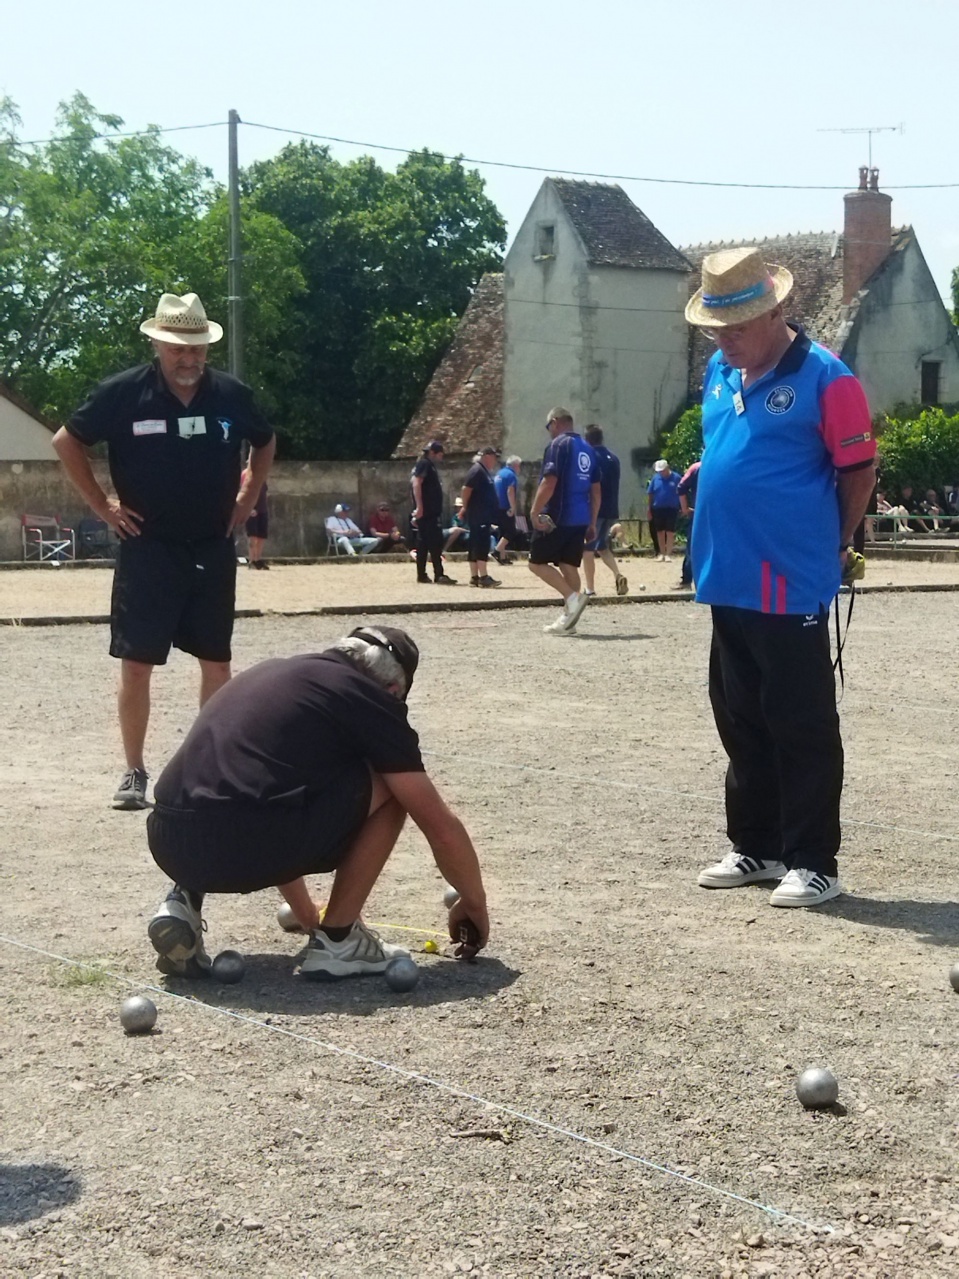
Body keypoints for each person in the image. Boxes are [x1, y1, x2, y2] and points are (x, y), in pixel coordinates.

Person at [687, 246, 875, 908]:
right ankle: (756, 844)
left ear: (774, 312)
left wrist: (833, 542)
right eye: (715, 325)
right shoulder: (718, 370)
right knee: (739, 716)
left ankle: (812, 858)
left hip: (787, 576)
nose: (723, 338)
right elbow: (727, 444)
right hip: (723, 570)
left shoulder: (827, 378)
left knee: (799, 721)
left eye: (735, 325)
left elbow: (857, 472)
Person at [145, 625, 490, 978]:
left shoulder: (274, 673)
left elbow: (268, 789)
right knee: (395, 790)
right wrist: (473, 903)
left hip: (169, 841)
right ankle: (340, 941)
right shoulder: (367, 698)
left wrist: (307, 915)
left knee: (231, 794)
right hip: (248, 839)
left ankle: (182, 903)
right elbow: (440, 826)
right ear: (391, 691)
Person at [52, 291, 276, 811]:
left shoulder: (231, 395)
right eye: (177, 347)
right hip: (147, 547)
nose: (189, 358)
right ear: (157, 343)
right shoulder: (123, 394)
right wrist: (103, 505)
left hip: (213, 545)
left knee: (216, 662)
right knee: (136, 663)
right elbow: (67, 440)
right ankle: (133, 771)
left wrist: (248, 494)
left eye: (196, 347)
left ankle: (208, 765)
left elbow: (264, 441)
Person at [528, 407, 600, 635]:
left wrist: (534, 511)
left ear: (556, 422)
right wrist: (592, 522)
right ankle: (569, 621)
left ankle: (572, 598)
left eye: (549, 426)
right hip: (580, 518)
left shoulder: (558, 445)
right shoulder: (589, 449)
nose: (549, 431)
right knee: (568, 565)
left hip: (558, 516)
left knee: (536, 562)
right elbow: (596, 491)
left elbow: (549, 482)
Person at [581, 425, 628, 598]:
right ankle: (618, 575)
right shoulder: (614, 458)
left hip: (596, 509)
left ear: (587, 440)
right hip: (611, 508)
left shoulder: (590, 457)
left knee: (587, 549)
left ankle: (590, 588)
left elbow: (591, 485)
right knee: (601, 546)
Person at [411, 441, 456, 585]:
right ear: (433, 453)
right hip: (428, 512)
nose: (441, 458)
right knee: (435, 543)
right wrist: (419, 507)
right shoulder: (424, 464)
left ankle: (422, 574)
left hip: (429, 512)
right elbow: (416, 483)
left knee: (423, 544)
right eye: (440, 454)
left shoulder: (428, 466)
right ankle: (439, 574)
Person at [460, 446, 502, 588]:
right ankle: (483, 577)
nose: (495, 460)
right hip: (479, 514)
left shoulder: (482, 471)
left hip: (481, 514)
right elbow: (466, 489)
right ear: (486, 456)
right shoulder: (477, 471)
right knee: (481, 544)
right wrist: (465, 507)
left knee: (475, 544)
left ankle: (475, 577)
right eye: (494, 457)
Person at [647, 459, 681, 562]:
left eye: (662, 470)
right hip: (658, 508)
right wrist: (649, 508)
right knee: (660, 531)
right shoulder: (655, 479)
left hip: (672, 508)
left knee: (670, 531)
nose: (661, 473)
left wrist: (682, 506)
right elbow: (650, 493)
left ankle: (668, 554)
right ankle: (661, 553)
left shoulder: (677, 478)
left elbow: (682, 492)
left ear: (667, 468)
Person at [674, 460, 701, 589]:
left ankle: (686, 581)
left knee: (692, 546)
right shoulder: (723, 464)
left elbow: (681, 487)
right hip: (719, 512)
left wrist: (685, 509)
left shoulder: (696, 468)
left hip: (699, 512)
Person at [492, 454, 522, 566]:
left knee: (503, 531)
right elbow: (510, 491)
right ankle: (497, 550)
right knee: (511, 531)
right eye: (519, 466)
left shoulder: (499, 473)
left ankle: (502, 557)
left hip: (496, 506)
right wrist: (513, 507)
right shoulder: (511, 475)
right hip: (505, 507)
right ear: (516, 465)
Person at [245, 476, 270, 570]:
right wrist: (249, 508)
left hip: (262, 510)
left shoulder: (263, 478)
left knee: (261, 536)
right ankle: (251, 560)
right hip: (252, 511)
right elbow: (244, 493)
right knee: (252, 536)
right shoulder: (247, 478)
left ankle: (258, 559)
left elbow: (264, 495)